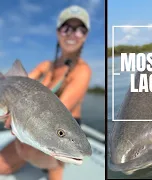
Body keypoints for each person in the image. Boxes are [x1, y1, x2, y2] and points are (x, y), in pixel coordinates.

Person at [0, 5, 92, 180]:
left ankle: (55, 169)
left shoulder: (82, 71)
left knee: (29, 147)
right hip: (37, 121)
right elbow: (22, 82)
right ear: (58, 32)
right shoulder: (46, 66)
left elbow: (59, 107)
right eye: (66, 28)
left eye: (80, 29)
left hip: (65, 127)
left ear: (85, 35)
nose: (72, 34)